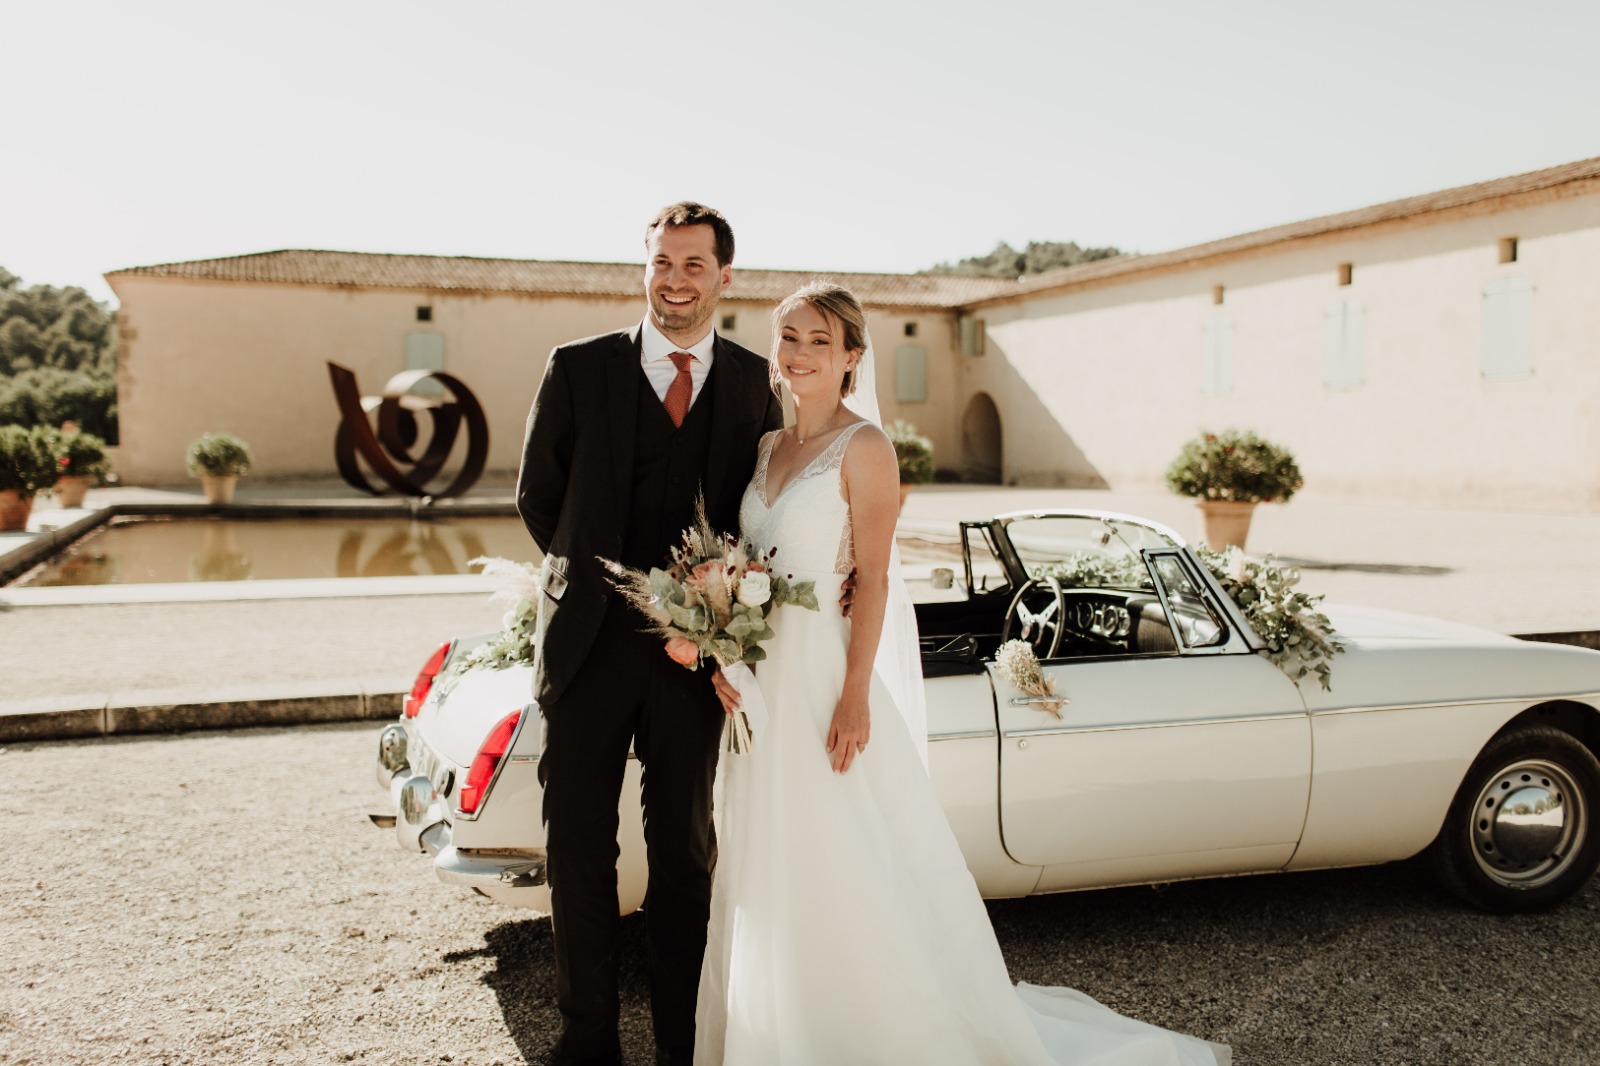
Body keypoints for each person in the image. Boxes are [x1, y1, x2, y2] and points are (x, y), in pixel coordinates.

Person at [694, 281, 1230, 1065]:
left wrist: (854, 696)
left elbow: (873, 577)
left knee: (842, 857)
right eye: (790, 337)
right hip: (761, 687)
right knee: (770, 861)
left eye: (820, 341)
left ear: (851, 357)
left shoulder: (866, 449)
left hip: (825, 681)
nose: (800, 353)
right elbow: (750, 569)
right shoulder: (769, 448)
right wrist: (724, 652)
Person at [516, 201, 784, 1066]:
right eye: (662, 262)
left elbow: (764, 513)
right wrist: (596, 588)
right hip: (587, 650)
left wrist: (714, 611)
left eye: (694, 264)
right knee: (578, 852)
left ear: (724, 276)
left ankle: (682, 1046)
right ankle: (586, 1041)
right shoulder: (576, 367)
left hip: (692, 658)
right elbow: (539, 497)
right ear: (645, 267)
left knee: (684, 856)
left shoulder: (754, 382)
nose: (675, 280)